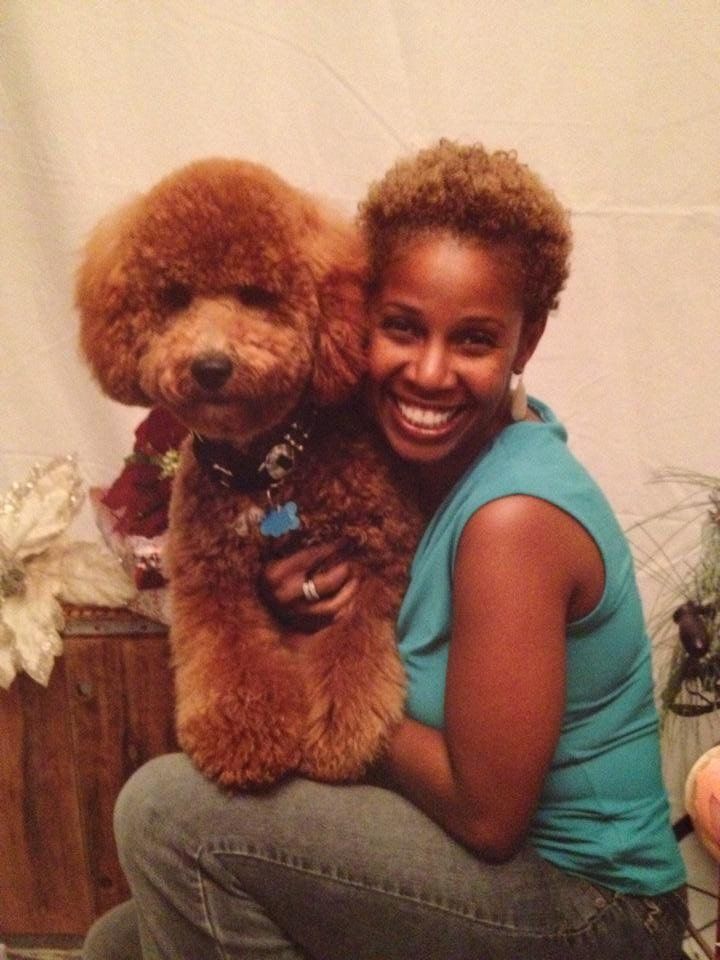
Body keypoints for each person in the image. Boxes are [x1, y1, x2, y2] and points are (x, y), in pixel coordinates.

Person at [82, 140, 687, 960]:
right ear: (360, 320)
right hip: (479, 865)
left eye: (473, 341)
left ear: (526, 341)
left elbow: (488, 817)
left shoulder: (514, 519)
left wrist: (308, 656)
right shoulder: (419, 461)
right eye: (401, 329)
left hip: (592, 911)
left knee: (167, 812)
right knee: (120, 942)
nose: (429, 373)